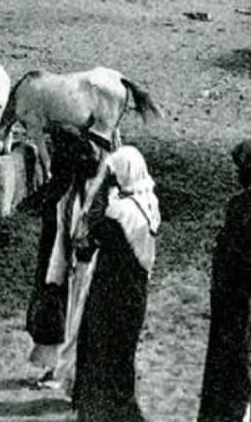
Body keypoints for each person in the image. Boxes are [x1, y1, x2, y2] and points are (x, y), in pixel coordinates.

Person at [198, 140, 251, 422]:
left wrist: (229, 254)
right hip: (230, 297)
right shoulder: (248, 201)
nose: (237, 174)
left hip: (247, 299)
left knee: (240, 365)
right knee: (225, 365)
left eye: (241, 168)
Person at [72, 146, 160, 421]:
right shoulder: (150, 203)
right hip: (137, 290)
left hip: (111, 291)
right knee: (123, 354)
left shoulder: (118, 211)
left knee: (100, 350)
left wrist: (96, 195)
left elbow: (84, 243)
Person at [24, 123, 108, 387]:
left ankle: (60, 371)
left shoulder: (73, 194)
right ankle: (58, 369)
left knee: (67, 315)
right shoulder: (70, 190)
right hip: (60, 263)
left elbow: (69, 231)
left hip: (67, 264)